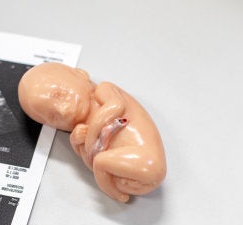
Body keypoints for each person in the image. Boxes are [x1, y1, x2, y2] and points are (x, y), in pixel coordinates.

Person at [18, 62, 166, 203]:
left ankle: (114, 193)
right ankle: (116, 189)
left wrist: (92, 133)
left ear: (81, 74)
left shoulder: (104, 89)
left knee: (102, 162)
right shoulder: (81, 128)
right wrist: (77, 143)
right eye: (53, 117)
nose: (63, 111)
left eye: (60, 95)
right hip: (124, 168)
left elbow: (116, 106)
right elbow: (91, 161)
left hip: (146, 158)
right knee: (100, 162)